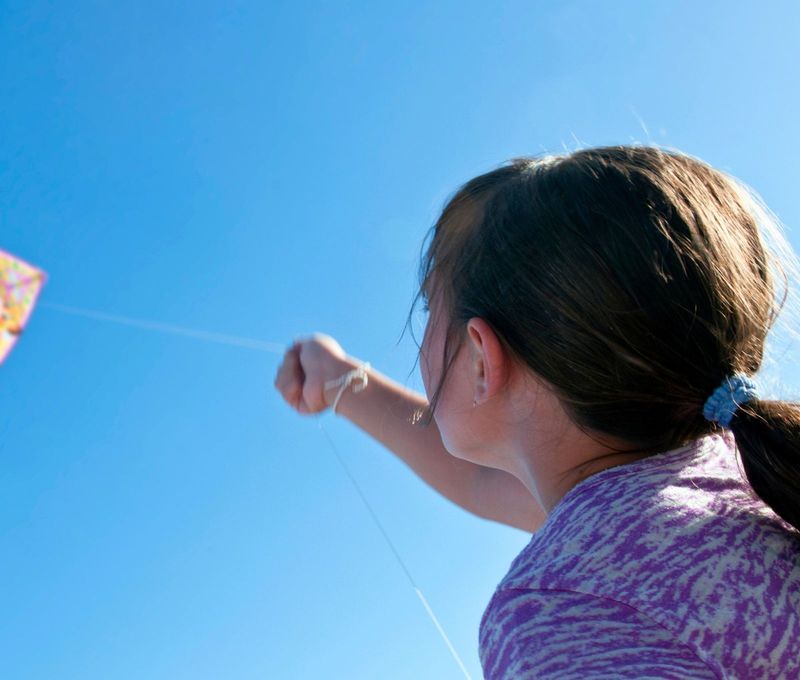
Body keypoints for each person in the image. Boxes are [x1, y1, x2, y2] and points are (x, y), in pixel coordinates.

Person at [274, 146, 800, 679]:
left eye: (431, 309)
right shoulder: (748, 473)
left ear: (481, 359)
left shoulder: (564, 606)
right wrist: (341, 381)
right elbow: (481, 480)